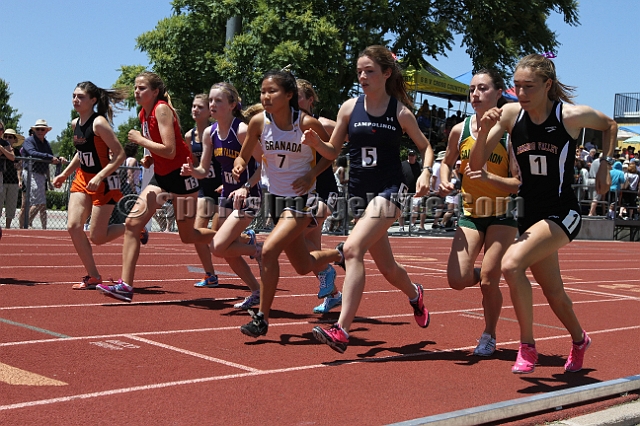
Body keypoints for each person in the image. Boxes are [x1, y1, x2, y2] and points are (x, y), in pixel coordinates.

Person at [469, 53, 617, 374]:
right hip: (529, 215)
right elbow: (475, 165)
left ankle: (527, 346)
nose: (520, 94)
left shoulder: (571, 116)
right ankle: (580, 340)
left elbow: (610, 125)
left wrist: (604, 163)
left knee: (511, 264)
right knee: (555, 294)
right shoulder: (510, 115)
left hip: (562, 213)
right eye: (516, 86)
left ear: (547, 85)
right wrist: (483, 132)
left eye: (529, 87)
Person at [307, 45, 434, 353]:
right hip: (359, 194)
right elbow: (334, 151)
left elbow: (426, 146)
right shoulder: (349, 108)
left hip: (390, 190)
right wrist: (315, 143)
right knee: (389, 269)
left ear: (386, 73)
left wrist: (426, 172)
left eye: (369, 71)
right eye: (359, 71)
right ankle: (415, 294)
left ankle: (342, 330)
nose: (362, 76)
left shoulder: (400, 112)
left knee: (351, 249)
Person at [232, 69, 342, 337]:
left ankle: (262, 318)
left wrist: (311, 174)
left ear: (289, 95)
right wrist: (238, 165)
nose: (266, 96)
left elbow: (331, 153)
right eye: (263, 92)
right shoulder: (259, 123)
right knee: (303, 266)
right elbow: (244, 155)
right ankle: (341, 253)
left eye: (272, 91)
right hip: (276, 200)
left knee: (268, 251)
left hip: (301, 202)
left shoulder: (306, 123)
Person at [96, 71, 217, 302]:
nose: (136, 91)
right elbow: (161, 148)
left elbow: (171, 150)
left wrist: (141, 141)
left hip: (182, 176)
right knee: (132, 222)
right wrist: (151, 157)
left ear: (155, 92)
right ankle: (125, 286)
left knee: (188, 235)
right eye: (135, 87)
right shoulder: (144, 112)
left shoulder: (162, 109)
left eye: (142, 88)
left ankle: (230, 238)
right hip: (161, 177)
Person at [439, 69, 520, 357]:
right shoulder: (459, 130)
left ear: (499, 93)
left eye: (483, 88)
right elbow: (447, 162)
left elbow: (516, 183)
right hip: (471, 212)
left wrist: (490, 179)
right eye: (472, 89)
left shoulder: (510, 133)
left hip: (502, 214)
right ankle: (484, 272)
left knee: (488, 281)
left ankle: (489, 334)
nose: (475, 94)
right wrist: (444, 178)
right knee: (457, 280)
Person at [181, 82, 262, 309]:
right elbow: (204, 170)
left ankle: (259, 249)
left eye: (218, 101)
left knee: (217, 245)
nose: (212, 105)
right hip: (226, 195)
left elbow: (264, 165)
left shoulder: (243, 130)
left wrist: (245, 186)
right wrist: (191, 171)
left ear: (232, 105)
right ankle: (257, 290)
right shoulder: (210, 132)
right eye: (211, 100)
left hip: (249, 195)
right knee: (225, 250)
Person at [52, 81, 128, 289]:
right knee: (73, 227)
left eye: (81, 96)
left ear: (93, 100)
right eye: (74, 95)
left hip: (103, 181)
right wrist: (65, 174)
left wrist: (100, 176)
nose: (76, 100)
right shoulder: (76, 124)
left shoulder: (99, 123)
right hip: (82, 179)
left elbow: (120, 155)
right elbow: (81, 153)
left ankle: (133, 227)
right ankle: (93, 276)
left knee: (97, 237)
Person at [297, 78, 342, 313]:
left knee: (297, 232)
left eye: (298, 96)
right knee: (311, 250)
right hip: (305, 195)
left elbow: (343, 142)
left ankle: (334, 262)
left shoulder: (324, 123)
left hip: (325, 192)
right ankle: (334, 295)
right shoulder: (290, 127)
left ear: (310, 99)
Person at [184, 93, 222, 288]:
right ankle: (210, 274)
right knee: (196, 234)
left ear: (209, 112)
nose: (195, 110)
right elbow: (194, 163)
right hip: (204, 189)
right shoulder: (190, 136)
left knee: (218, 239)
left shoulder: (217, 133)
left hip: (223, 188)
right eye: (194, 106)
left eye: (200, 107)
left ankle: (247, 241)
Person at [20, 119, 62, 229]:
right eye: (37, 129)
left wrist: (58, 159)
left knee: (42, 203)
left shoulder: (46, 143)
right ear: (34, 130)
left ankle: (41, 227)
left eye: (42, 129)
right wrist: (49, 157)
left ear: (46, 131)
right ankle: (26, 224)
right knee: (38, 201)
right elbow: (32, 153)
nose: (39, 131)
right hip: (31, 172)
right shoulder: (28, 141)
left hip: (41, 174)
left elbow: (51, 156)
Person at [399, 149, 426, 232]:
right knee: (401, 210)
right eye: (409, 155)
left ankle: (412, 224)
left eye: (412, 155)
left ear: (415, 156)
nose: (411, 157)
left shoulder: (419, 165)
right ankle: (401, 226)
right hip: (403, 189)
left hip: (415, 190)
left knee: (415, 209)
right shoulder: (402, 164)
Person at [1, 128, 23, 228]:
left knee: (11, 206)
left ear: (14, 139)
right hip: (2, 179)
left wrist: (19, 180)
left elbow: (19, 165)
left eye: (10, 137)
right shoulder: (2, 146)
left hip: (13, 180)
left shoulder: (17, 152)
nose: (7, 138)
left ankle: (8, 227)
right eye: (5, 136)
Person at [0, 123, 17, 229]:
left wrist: (2, 149)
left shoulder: (4, 143)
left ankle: (7, 228)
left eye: (1, 129)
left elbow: (12, 157)